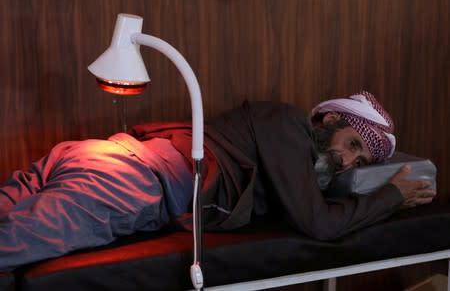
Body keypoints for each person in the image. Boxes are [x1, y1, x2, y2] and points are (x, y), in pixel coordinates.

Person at [0, 91, 435, 271]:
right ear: (331, 118)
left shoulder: (290, 150)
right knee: (11, 245)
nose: (347, 162)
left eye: (359, 161)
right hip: (135, 179)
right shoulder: (288, 127)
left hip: (107, 159)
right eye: (353, 143)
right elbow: (317, 223)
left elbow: (312, 203)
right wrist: (392, 195)